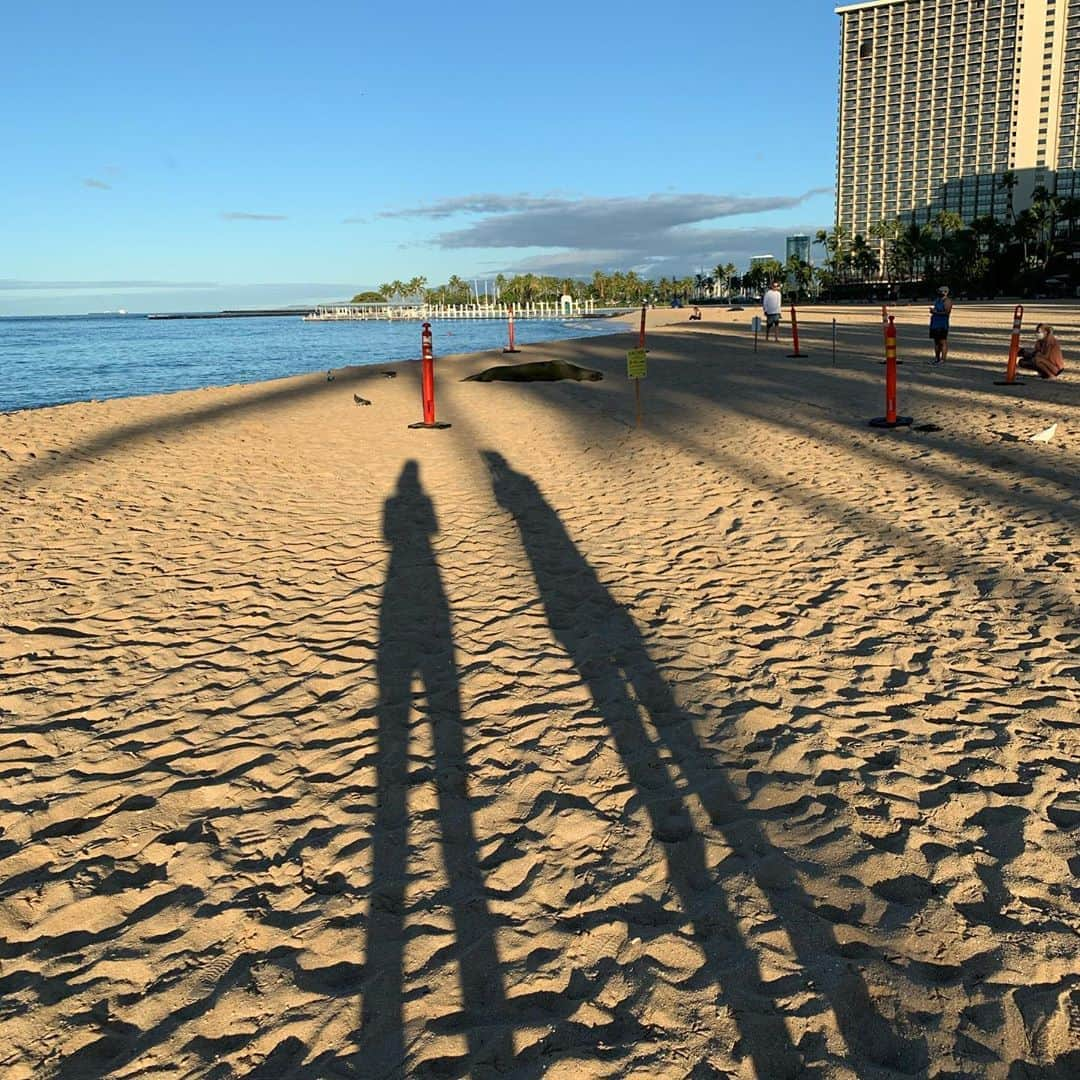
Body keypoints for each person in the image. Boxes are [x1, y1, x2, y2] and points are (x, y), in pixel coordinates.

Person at [928, 285, 953, 364]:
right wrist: (933, 311)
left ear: (945, 292)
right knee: (936, 342)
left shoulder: (947, 301)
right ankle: (937, 358)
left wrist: (935, 312)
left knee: (942, 341)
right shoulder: (937, 300)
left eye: (940, 291)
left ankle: (943, 359)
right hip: (934, 323)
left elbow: (947, 312)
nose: (939, 292)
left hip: (942, 324)